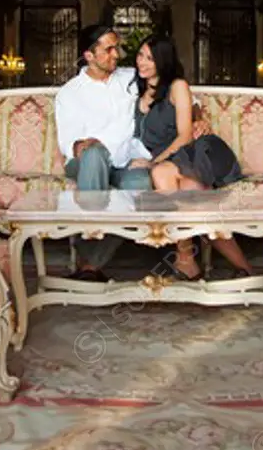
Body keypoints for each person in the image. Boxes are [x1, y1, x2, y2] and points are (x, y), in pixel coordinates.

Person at [54, 24, 209, 281]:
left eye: (118, 48)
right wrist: (82, 145)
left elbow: (180, 94)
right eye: (109, 49)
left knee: (139, 184)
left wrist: (198, 118)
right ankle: (89, 264)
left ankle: (91, 261)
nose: (117, 54)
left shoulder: (130, 78)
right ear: (89, 55)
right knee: (94, 155)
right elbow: (68, 143)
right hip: (88, 162)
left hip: (127, 161)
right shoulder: (70, 92)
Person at [131, 34, 254, 280]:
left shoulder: (177, 86)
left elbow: (186, 135)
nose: (142, 63)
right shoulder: (134, 89)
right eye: (140, 55)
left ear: (163, 62)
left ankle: (187, 260)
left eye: (150, 59)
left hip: (196, 152)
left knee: (161, 173)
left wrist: (154, 162)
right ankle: (245, 271)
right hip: (173, 164)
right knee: (190, 200)